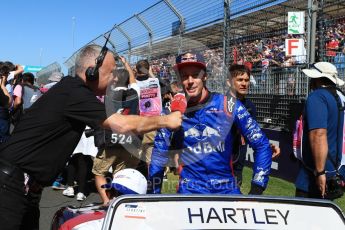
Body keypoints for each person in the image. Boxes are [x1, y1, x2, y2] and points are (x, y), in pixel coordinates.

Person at [0, 44, 182, 230]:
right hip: (11, 183)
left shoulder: (72, 89)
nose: (113, 78)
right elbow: (121, 124)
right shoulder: (75, 92)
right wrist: (166, 120)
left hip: (22, 185)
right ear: (92, 72)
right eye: (110, 72)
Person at [148, 52, 272, 195]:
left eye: (195, 75)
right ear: (179, 79)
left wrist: (257, 188)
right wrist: (153, 195)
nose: (190, 81)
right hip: (190, 192)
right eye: (184, 76)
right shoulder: (171, 111)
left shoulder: (229, 105)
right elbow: (159, 153)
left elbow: (262, 144)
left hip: (226, 190)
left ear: (205, 76)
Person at [93, 56, 141, 205]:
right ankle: (118, 200)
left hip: (110, 141)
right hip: (129, 142)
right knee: (121, 174)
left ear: (113, 80)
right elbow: (133, 80)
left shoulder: (107, 95)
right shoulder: (135, 93)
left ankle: (106, 200)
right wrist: (126, 64)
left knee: (98, 172)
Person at [295, 62, 345, 200]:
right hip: (335, 168)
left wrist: (320, 172)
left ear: (316, 79)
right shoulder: (341, 97)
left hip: (315, 172)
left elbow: (318, 134)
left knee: (304, 217)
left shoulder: (317, 96)